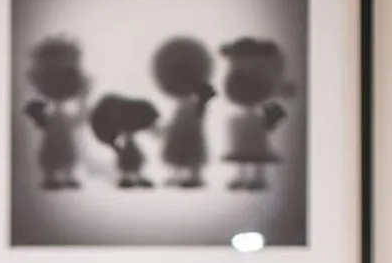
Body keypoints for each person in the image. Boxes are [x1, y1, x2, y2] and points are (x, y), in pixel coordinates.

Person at [220, 37, 292, 193]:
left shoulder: (260, 74)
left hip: (254, 117)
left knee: (256, 150)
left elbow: (266, 87)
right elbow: (233, 88)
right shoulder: (237, 73)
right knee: (241, 150)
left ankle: (258, 178)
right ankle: (242, 176)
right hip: (246, 116)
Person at [21, 35, 90, 190]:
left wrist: (84, 99)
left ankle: (65, 174)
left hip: (64, 142)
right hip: (52, 143)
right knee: (51, 153)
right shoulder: (49, 114)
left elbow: (79, 120)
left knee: (67, 151)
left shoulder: (60, 115)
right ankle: (51, 176)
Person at [151, 37, 216, 187]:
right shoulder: (183, 106)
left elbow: (203, 107)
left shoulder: (194, 105)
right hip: (184, 133)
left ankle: (194, 177)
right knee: (182, 152)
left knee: (191, 153)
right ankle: (182, 175)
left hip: (191, 133)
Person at [88, 95, 158, 188]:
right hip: (112, 128)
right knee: (126, 147)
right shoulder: (116, 118)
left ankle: (130, 174)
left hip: (113, 129)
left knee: (126, 146)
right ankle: (130, 174)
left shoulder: (127, 126)